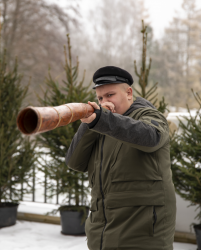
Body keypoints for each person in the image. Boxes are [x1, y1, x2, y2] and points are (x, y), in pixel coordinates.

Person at [65, 66, 176, 250]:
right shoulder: (103, 122)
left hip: (141, 235)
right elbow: (74, 162)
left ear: (129, 93)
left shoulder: (148, 115)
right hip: (101, 233)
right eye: (100, 98)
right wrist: (90, 123)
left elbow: (151, 137)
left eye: (110, 95)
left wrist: (101, 119)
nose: (105, 102)